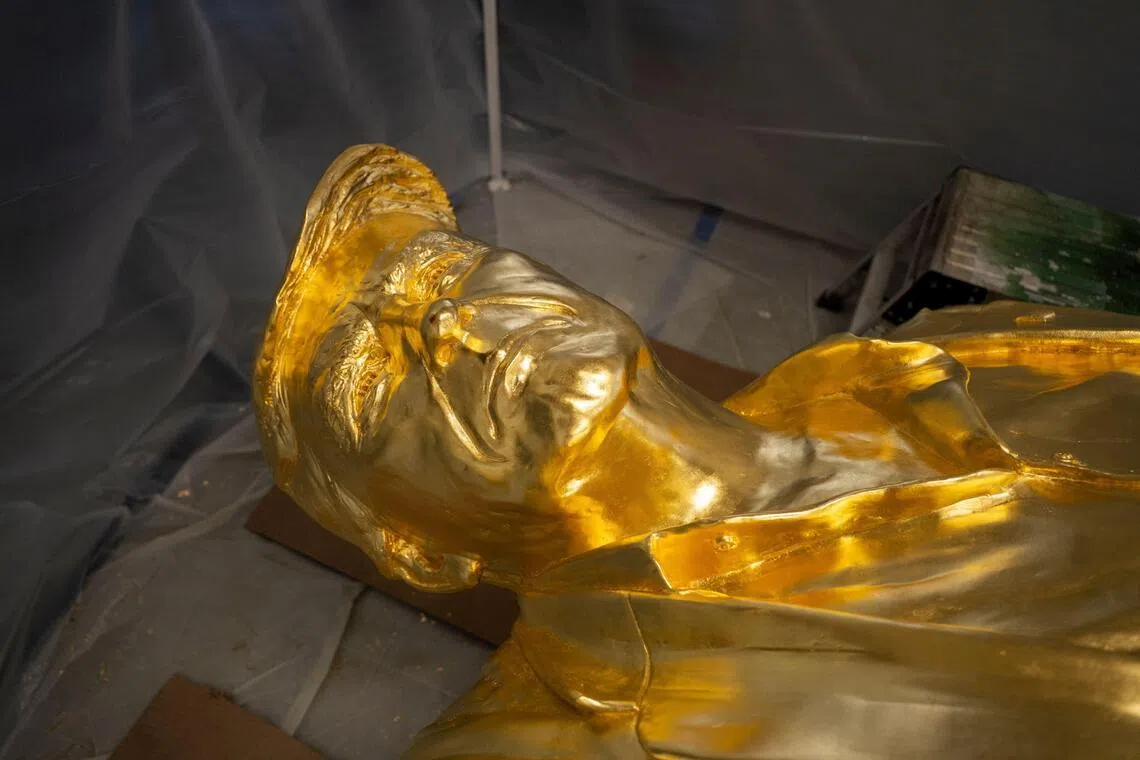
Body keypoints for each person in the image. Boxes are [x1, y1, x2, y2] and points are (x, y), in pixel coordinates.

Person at [255, 145, 1140, 758]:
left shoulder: (962, 346)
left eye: (444, 272)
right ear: (421, 552)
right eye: (365, 387)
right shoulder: (555, 743)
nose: (446, 323)